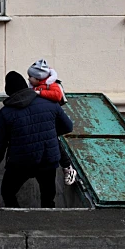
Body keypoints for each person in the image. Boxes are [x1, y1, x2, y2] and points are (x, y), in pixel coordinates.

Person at [0, 71, 73, 208]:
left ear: (8, 90)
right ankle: (48, 223)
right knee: (48, 196)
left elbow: (0, 140)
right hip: (48, 159)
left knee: (8, 192)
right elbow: (68, 127)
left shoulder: (6, 112)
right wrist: (48, 132)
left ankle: (19, 220)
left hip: (20, 162)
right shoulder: (50, 103)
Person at [27, 58, 78, 186]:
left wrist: (39, 92)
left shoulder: (50, 85)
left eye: (30, 77)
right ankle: (67, 167)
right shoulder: (36, 86)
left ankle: (68, 167)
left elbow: (57, 96)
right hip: (47, 118)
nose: (28, 79)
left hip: (52, 118)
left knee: (55, 141)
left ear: (38, 78)